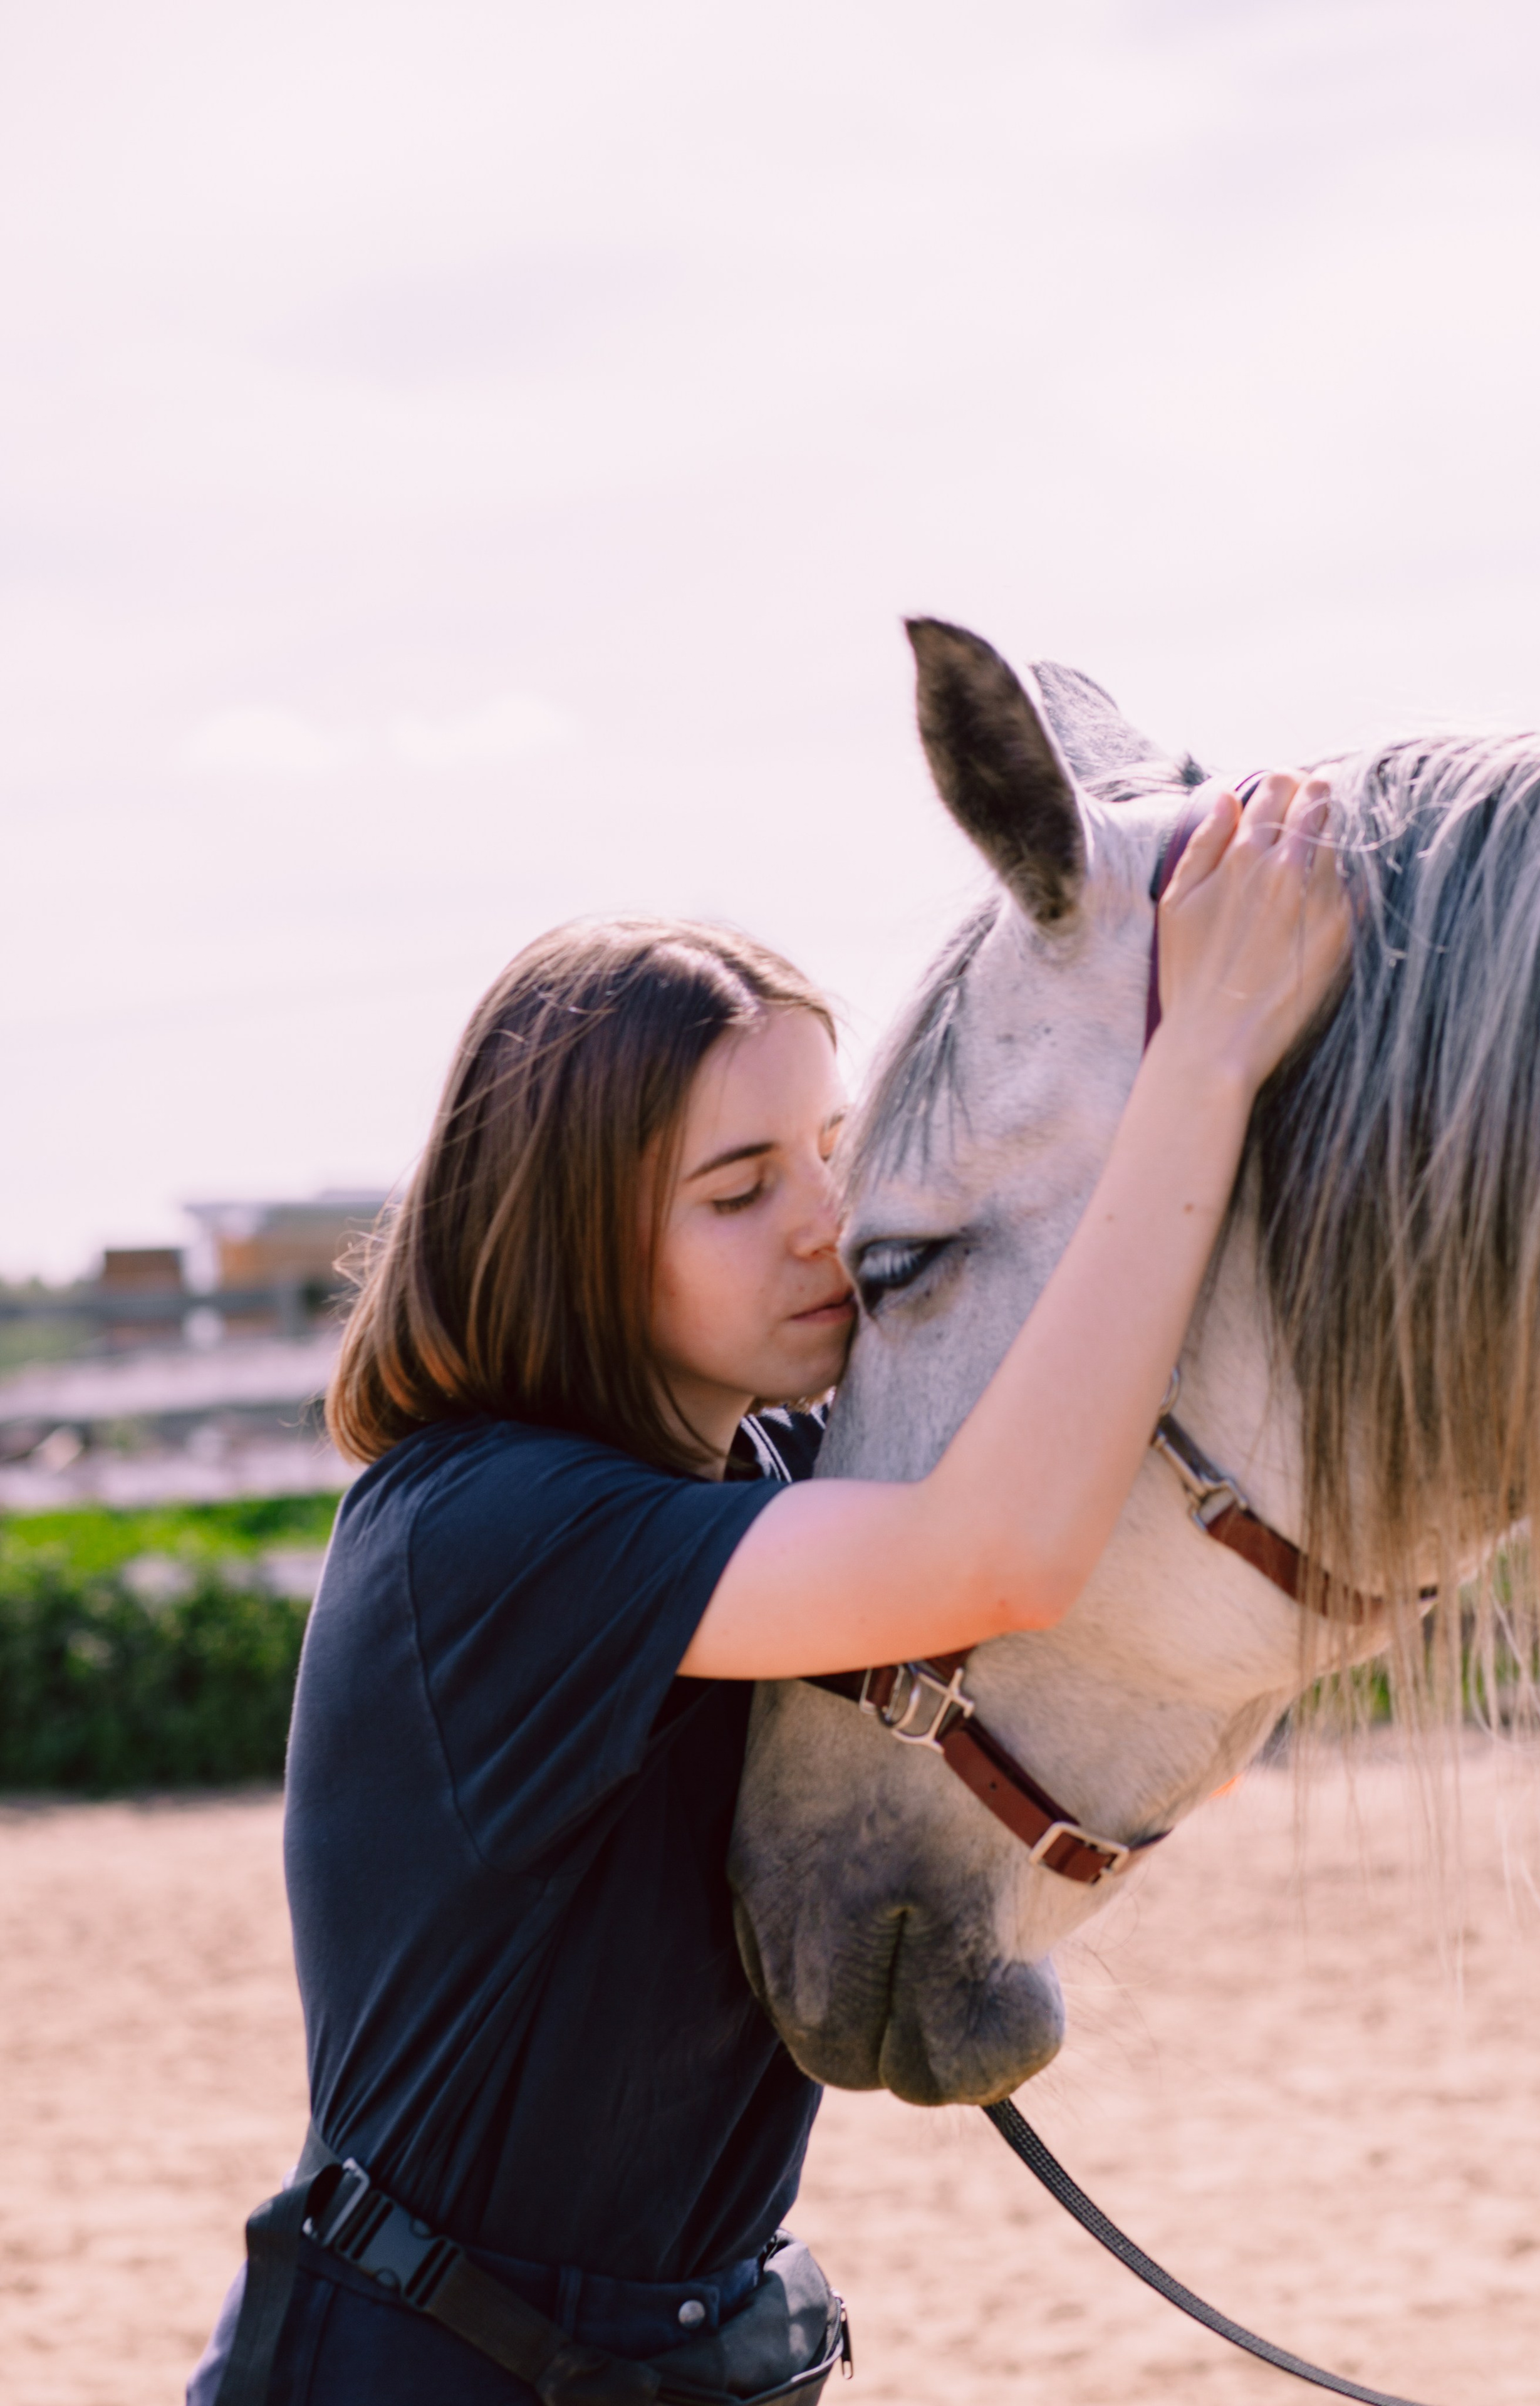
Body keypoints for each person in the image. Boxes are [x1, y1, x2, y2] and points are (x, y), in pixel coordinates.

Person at [190, 770, 1348, 2405]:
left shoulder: (774, 1470)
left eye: (831, 1148)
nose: (827, 1225)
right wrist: (1206, 1057)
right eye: (739, 1193)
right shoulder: (491, 1528)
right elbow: (998, 1553)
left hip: (684, 2361)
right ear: (566, 1239)